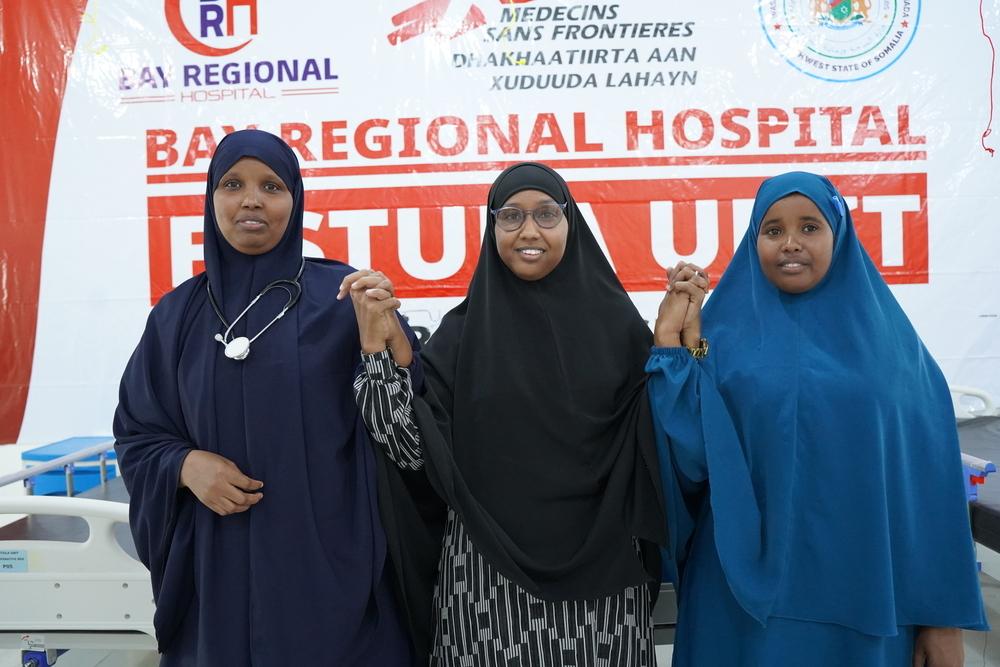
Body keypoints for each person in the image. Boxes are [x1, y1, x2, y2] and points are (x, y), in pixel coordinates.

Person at [647, 171, 987, 666]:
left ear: (839, 234)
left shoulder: (895, 357)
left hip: (865, 605)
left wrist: (942, 619)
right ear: (753, 239)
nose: (790, 244)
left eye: (810, 227)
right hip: (740, 610)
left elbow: (928, 496)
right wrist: (676, 348)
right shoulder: (717, 337)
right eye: (773, 230)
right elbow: (693, 460)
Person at [113, 129, 420, 664]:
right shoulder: (175, 316)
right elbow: (138, 431)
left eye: (271, 186)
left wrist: (393, 341)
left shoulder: (346, 298)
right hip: (218, 568)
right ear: (212, 200)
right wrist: (184, 465)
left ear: (295, 202)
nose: (251, 199)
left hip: (329, 568)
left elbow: (410, 428)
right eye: (233, 184)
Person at [344, 161, 667, 665]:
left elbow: (663, 446)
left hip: (604, 583)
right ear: (491, 226)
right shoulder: (462, 336)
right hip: (486, 582)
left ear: (571, 223)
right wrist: (375, 348)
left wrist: (684, 348)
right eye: (511, 216)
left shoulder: (622, 333)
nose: (529, 231)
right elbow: (409, 451)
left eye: (546, 215)